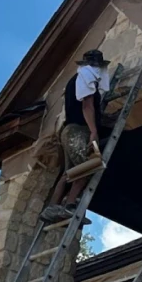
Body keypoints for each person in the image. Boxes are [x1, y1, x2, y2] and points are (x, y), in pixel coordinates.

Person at [40, 49, 111, 223]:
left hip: (70, 131)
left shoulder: (78, 80)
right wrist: (94, 130)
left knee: (70, 173)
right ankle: (70, 205)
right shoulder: (85, 79)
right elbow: (87, 106)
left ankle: (53, 208)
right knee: (89, 166)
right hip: (79, 131)